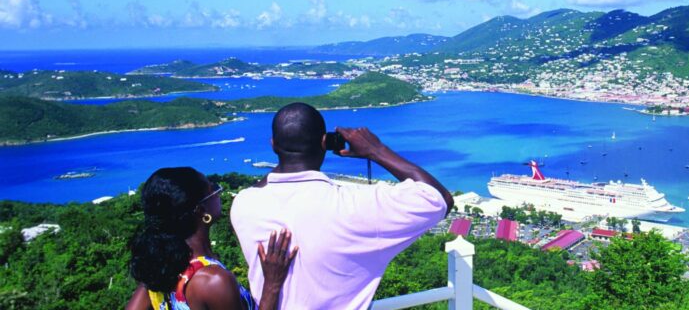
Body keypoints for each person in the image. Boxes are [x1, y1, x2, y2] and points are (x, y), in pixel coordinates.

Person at [230, 102, 454, 310]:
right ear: (325, 143)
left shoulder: (243, 205)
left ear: (273, 145)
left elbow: (262, 187)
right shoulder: (355, 206)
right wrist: (376, 150)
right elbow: (439, 198)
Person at [126, 167, 297, 310]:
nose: (218, 192)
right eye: (212, 189)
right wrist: (272, 285)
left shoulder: (160, 270)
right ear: (201, 211)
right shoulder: (212, 280)